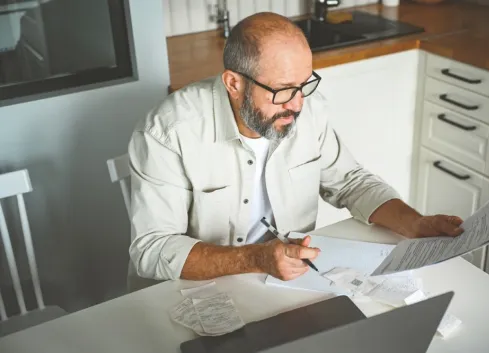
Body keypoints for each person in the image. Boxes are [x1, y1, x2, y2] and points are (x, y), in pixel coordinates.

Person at [127, 12, 463, 288]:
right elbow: (152, 247)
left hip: (287, 282)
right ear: (234, 83)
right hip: (195, 290)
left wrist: (415, 223)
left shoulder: (307, 110)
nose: (299, 104)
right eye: (285, 90)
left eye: (304, 85)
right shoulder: (167, 132)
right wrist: (256, 258)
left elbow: (351, 182)